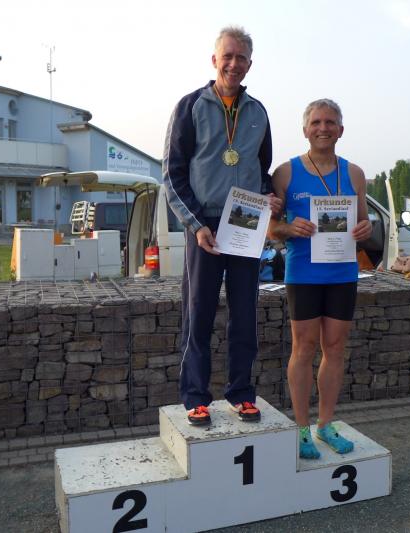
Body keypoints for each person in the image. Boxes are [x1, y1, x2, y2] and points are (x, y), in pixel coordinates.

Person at [162, 26, 282, 426]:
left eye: (241, 58)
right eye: (227, 56)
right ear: (214, 60)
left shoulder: (258, 112)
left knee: (245, 312)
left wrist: (268, 197)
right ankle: (195, 396)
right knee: (199, 311)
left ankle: (241, 393)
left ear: (250, 64)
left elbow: (261, 170)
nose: (234, 64)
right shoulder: (190, 106)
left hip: (245, 220)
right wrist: (196, 224)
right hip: (205, 223)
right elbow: (173, 173)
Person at [268, 99, 372, 459]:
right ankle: (301, 428)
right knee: (304, 347)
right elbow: (270, 230)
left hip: (342, 272)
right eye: (316, 122)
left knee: (335, 347)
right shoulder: (285, 173)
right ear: (305, 130)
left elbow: (364, 222)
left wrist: (365, 228)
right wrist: (289, 227)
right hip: (304, 273)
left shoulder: (354, 173)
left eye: (330, 122)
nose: (323, 128)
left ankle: (325, 424)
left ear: (340, 130)